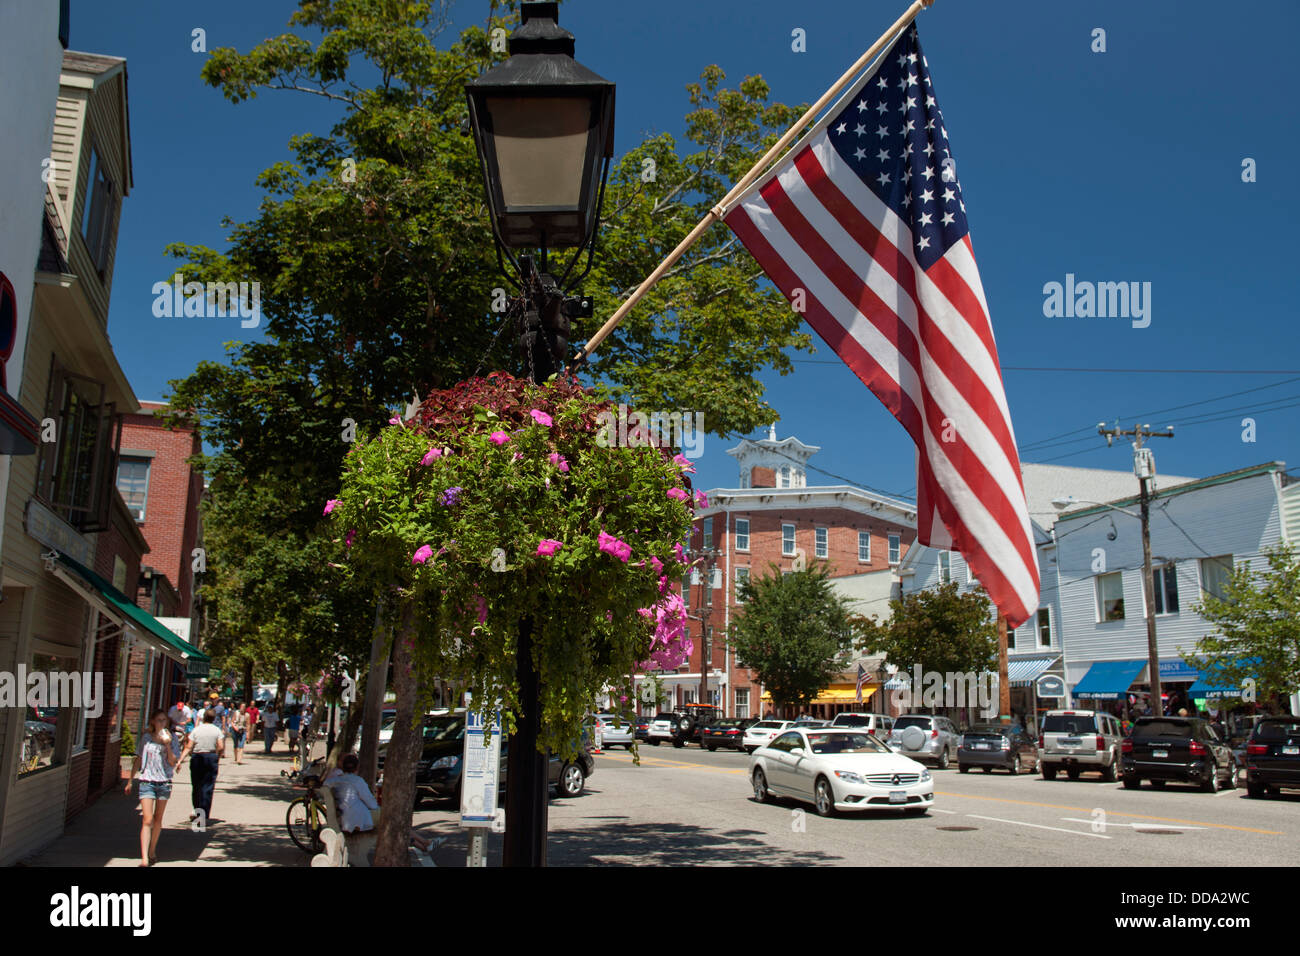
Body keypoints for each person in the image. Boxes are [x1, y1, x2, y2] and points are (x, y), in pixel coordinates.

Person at [125, 709, 179, 866]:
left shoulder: (172, 738)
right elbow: (139, 758)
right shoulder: (146, 738)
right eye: (159, 720)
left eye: (164, 720)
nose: (162, 723)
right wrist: (130, 780)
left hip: (164, 782)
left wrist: (168, 745)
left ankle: (152, 850)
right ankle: (144, 858)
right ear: (153, 722)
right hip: (147, 781)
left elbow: (172, 762)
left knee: (157, 819)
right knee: (147, 819)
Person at [177, 709, 225, 824]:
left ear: (203, 717)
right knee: (208, 787)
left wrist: (180, 760)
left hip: (197, 757)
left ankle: (198, 811)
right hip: (211, 756)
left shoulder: (196, 730)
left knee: (197, 786)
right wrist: (217, 756)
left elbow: (188, 747)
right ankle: (203, 814)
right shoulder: (217, 730)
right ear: (214, 719)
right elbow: (221, 746)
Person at [326, 753, 380, 849]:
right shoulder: (357, 781)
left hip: (345, 815)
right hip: (358, 818)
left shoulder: (335, 780)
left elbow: (325, 784)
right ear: (357, 767)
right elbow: (371, 803)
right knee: (387, 816)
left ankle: (415, 840)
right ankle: (414, 840)